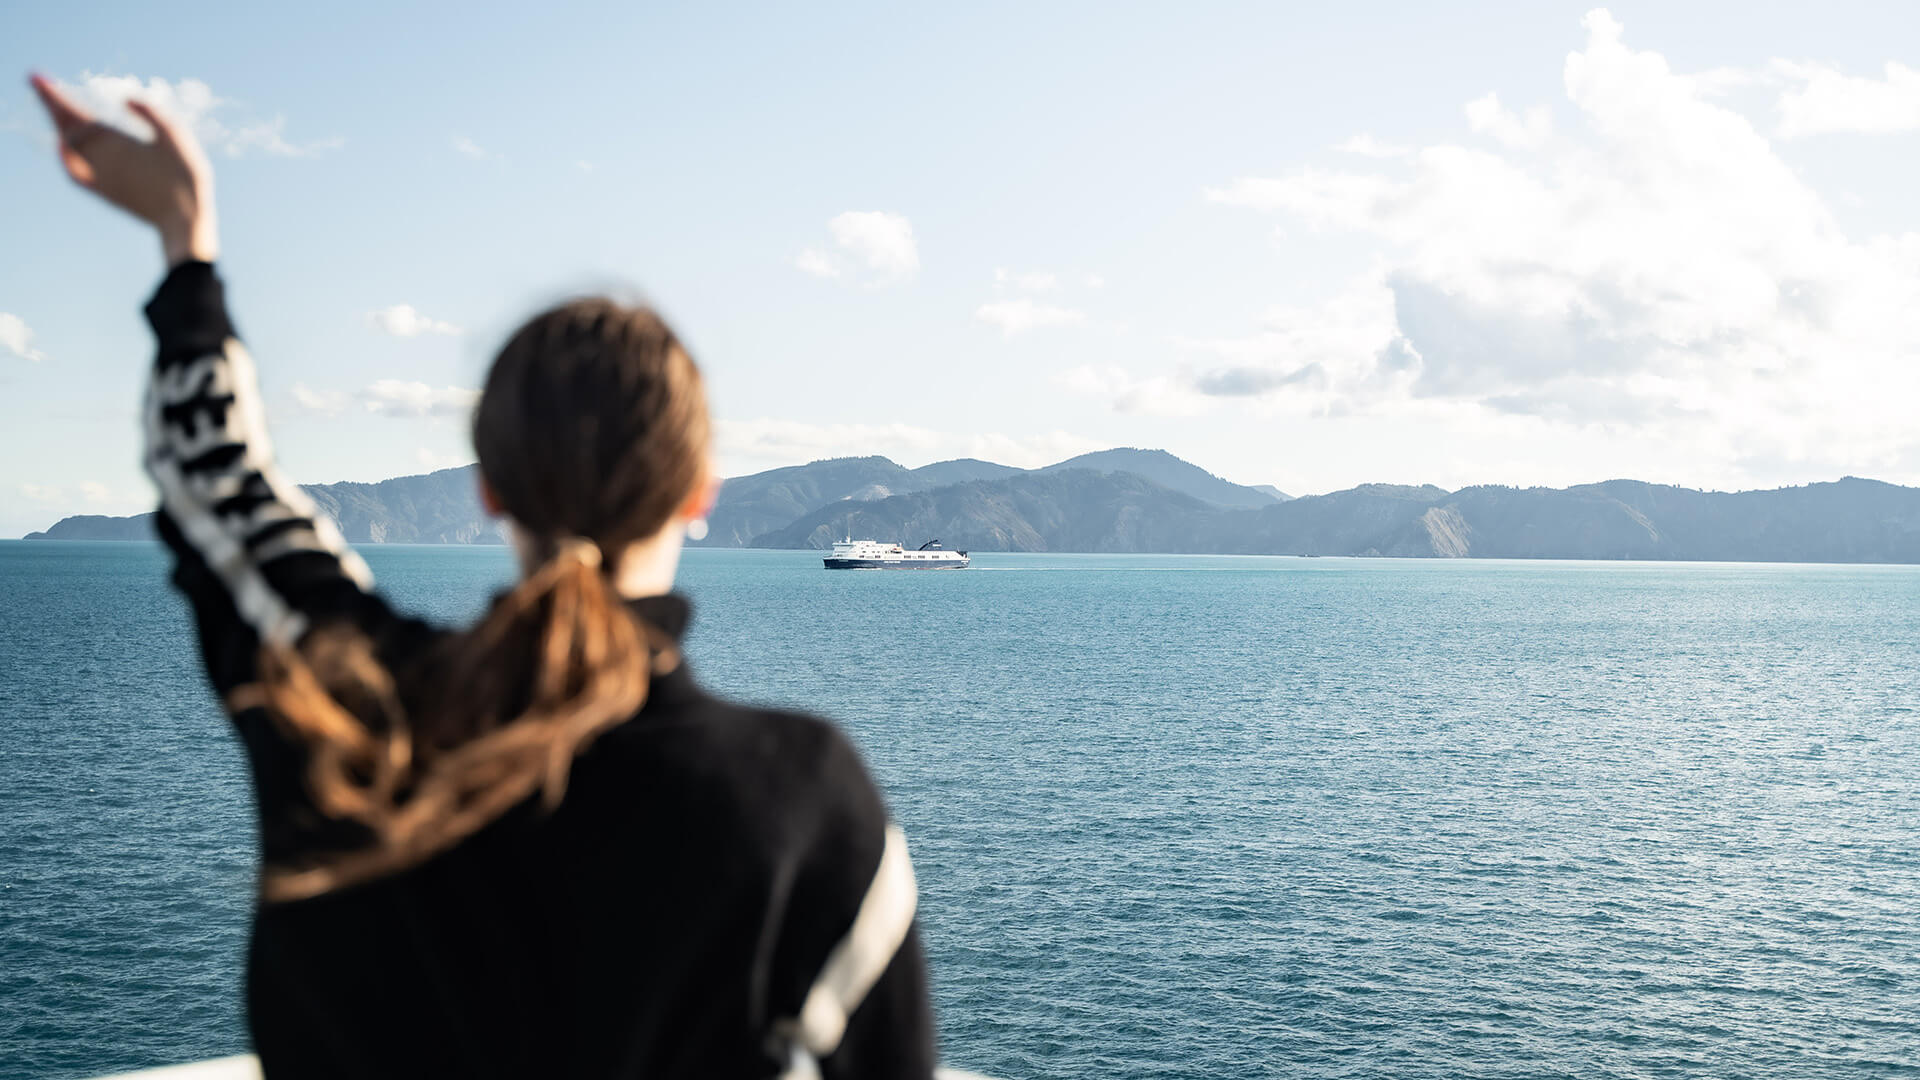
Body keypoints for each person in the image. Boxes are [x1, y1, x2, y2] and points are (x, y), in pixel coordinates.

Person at [29, 75, 937, 1080]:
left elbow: (219, 484)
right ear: (698, 493)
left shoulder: (348, 705)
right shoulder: (804, 801)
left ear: (491, 491)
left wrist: (184, 238)